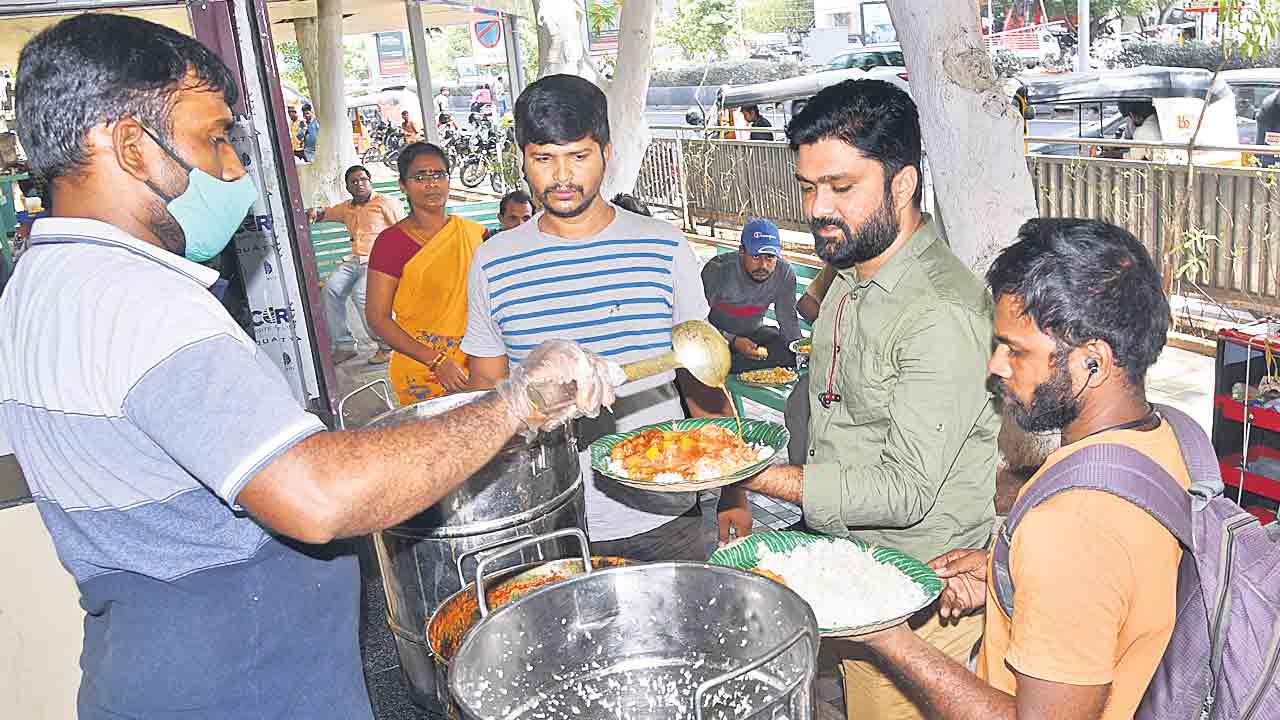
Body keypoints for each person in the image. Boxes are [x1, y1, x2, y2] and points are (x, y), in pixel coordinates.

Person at [1, 15, 617, 719]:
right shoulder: (136, 302)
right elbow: (319, 497)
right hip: (241, 682)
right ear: (131, 145)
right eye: (214, 139)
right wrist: (516, 402)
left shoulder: (36, 285)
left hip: (149, 661)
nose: (234, 171)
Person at [734, 79, 998, 720]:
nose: (818, 208)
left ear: (903, 185)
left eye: (842, 188)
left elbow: (904, 490)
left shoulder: (938, 311)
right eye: (808, 186)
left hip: (913, 597)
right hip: (846, 566)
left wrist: (750, 476)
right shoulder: (852, 270)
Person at [852, 219, 1182, 720]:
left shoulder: (1071, 528)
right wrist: (1008, 580)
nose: (996, 366)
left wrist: (890, 638)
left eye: (1017, 349)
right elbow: (1113, 593)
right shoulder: (1163, 442)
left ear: (1093, 361)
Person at [461, 74, 733, 562]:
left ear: (606, 152)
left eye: (578, 156)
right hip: (545, 518)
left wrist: (734, 492)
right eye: (544, 158)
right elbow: (485, 390)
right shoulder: (492, 260)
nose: (562, 177)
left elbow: (700, 375)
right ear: (522, 159)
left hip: (663, 508)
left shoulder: (664, 246)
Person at [366, 143, 486, 405]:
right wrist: (437, 361)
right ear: (403, 185)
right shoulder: (391, 243)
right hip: (424, 371)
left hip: (480, 361)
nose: (431, 184)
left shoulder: (475, 234)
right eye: (420, 177)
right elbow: (377, 317)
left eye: (438, 175)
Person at [307, 164, 403, 365]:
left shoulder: (385, 203)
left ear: (370, 181)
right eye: (354, 182)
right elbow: (326, 213)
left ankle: (386, 345)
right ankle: (345, 346)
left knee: (362, 294)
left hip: (379, 261)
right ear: (348, 187)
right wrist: (315, 211)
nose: (359, 184)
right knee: (331, 289)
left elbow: (403, 231)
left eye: (363, 180)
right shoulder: (347, 208)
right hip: (355, 261)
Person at [701, 218, 801, 373]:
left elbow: (789, 321)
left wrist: (798, 353)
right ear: (742, 251)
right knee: (706, 357)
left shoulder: (784, 273)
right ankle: (727, 365)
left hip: (754, 335)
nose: (763, 265)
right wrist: (732, 341)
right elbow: (697, 321)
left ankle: (731, 366)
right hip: (716, 338)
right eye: (755, 257)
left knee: (787, 349)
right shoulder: (718, 271)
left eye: (769, 257)